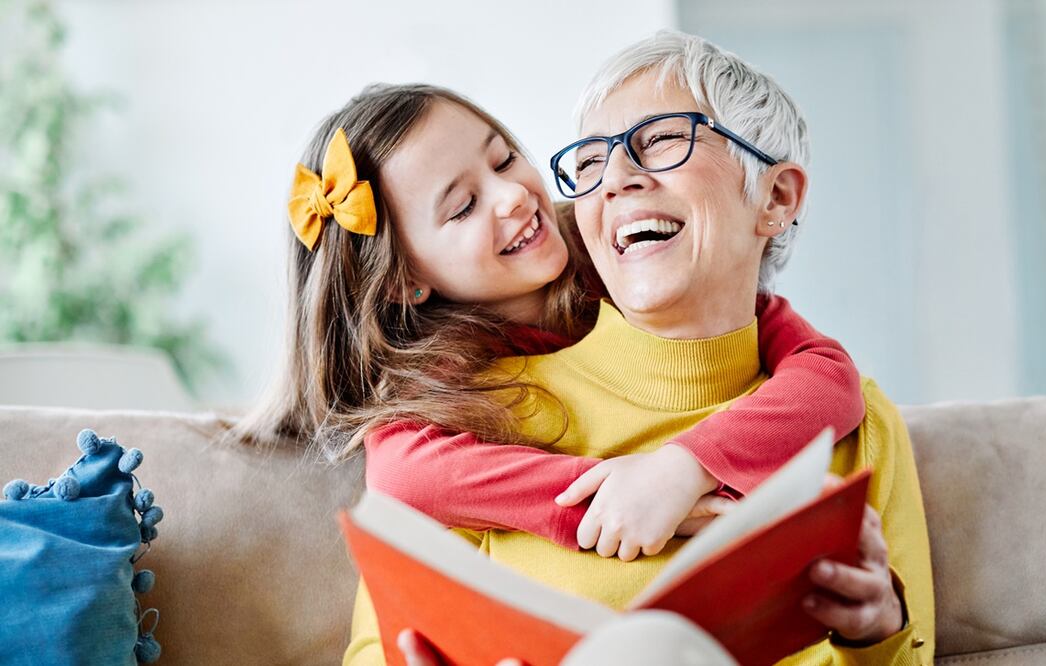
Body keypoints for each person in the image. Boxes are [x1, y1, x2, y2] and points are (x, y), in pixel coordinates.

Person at [343, 30, 934, 665]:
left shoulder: (856, 421)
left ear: (777, 197)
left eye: (660, 141)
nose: (617, 179)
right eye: (592, 163)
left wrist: (877, 631)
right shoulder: (473, 417)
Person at [237, 77, 865, 565]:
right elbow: (404, 472)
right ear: (406, 280)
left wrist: (683, 467)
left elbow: (829, 377)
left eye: (505, 159)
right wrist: (617, 497)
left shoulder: (619, 246)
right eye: (463, 207)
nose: (512, 195)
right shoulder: (445, 373)